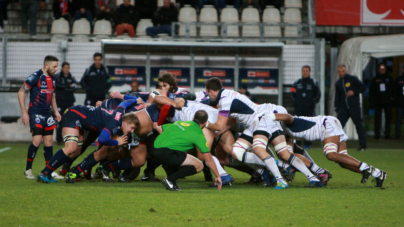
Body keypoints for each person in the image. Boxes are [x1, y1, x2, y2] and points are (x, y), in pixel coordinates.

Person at [204, 77, 291, 189]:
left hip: (259, 122)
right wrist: (218, 133)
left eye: (207, 92)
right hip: (253, 123)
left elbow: (219, 125)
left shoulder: (224, 100)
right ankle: (279, 166)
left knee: (259, 150)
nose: (208, 95)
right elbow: (232, 120)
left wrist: (204, 124)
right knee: (236, 152)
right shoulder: (228, 94)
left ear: (211, 91)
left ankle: (281, 179)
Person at [37, 98, 140, 183]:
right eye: (131, 128)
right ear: (125, 122)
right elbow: (102, 139)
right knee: (70, 148)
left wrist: (137, 99)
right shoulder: (114, 124)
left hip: (81, 120)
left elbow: (125, 103)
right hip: (73, 115)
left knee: (76, 152)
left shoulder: (120, 113)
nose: (132, 131)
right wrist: (117, 142)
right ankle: (45, 172)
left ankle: (68, 172)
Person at [274, 113, 388, 188]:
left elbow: (287, 116)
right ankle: (378, 173)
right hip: (330, 123)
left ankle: (366, 168)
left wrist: (271, 115)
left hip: (327, 124)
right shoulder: (284, 134)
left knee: (331, 155)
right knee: (342, 161)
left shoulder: (284, 123)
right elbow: (290, 154)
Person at [151, 110, 223, 191]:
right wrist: (218, 176)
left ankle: (167, 170)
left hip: (153, 149)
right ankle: (170, 180)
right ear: (205, 123)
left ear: (194, 118)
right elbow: (208, 159)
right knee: (199, 166)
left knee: (182, 152)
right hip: (165, 154)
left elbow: (160, 128)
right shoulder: (199, 135)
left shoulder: (180, 123)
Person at [17, 55, 62, 180]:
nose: (56, 69)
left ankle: (49, 171)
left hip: (47, 113)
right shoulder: (36, 76)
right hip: (35, 113)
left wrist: (56, 111)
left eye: (57, 66)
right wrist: (24, 112)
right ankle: (28, 169)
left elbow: (51, 95)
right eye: (54, 66)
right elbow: (21, 91)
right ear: (46, 65)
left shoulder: (53, 78)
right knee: (37, 140)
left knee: (48, 142)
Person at [334, 65, 367, 151]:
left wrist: (354, 92)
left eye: (343, 71)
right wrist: (337, 109)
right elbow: (337, 97)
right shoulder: (338, 83)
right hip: (343, 108)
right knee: (338, 126)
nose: (341, 73)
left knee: (359, 125)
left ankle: (362, 145)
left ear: (346, 71)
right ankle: (336, 145)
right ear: (338, 72)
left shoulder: (352, 79)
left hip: (354, 106)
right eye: (340, 72)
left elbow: (363, 87)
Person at [290, 65, 320, 149]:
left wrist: (312, 103)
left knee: (309, 126)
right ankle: (298, 143)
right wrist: (296, 103)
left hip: (309, 109)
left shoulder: (313, 83)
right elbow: (291, 93)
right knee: (297, 126)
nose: (305, 72)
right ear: (301, 72)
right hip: (298, 109)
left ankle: (307, 144)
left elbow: (318, 94)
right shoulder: (297, 83)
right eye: (303, 70)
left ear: (310, 72)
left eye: (307, 70)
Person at [369, 63, 394, 140]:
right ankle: (377, 134)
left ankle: (387, 134)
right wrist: (372, 103)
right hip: (378, 102)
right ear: (378, 69)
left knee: (388, 118)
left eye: (384, 68)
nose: (383, 70)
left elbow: (393, 90)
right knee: (377, 118)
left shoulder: (389, 79)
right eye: (381, 68)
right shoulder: (375, 80)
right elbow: (372, 92)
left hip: (387, 102)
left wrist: (392, 100)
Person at [55, 62, 77, 145]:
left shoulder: (72, 77)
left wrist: (64, 87)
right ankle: (59, 139)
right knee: (59, 119)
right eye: (65, 68)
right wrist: (68, 86)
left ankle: (70, 139)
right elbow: (57, 86)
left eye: (68, 68)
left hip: (69, 101)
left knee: (70, 120)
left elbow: (74, 88)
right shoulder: (57, 77)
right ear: (62, 68)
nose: (66, 69)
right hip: (60, 101)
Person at [394, 67, 404, 139]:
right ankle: (397, 134)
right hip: (400, 103)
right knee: (398, 119)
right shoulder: (399, 79)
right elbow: (395, 91)